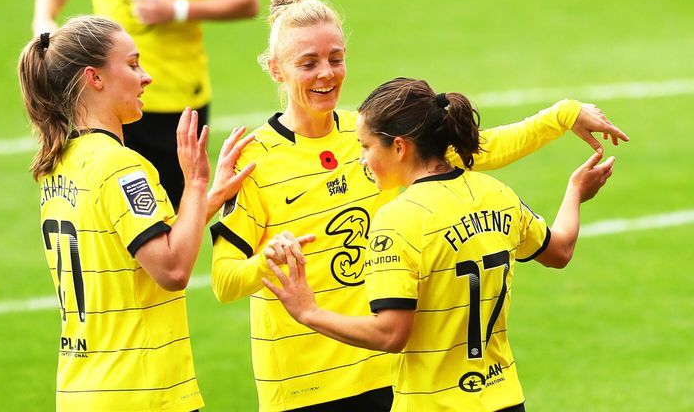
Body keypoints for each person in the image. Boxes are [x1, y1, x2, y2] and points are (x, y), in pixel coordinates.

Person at [209, 0, 629, 411]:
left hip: (385, 369)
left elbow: (473, 148)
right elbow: (224, 282)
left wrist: (560, 116)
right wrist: (270, 260)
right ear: (276, 70)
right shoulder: (253, 160)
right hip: (301, 386)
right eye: (308, 63)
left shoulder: (371, 136)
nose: (327, 74)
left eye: (336, 58)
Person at [263, 77, 617, 411]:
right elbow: (560, 251)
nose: (361, 160)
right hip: (506, 400)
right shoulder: (495, 192)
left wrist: (308, 311)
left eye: (366, 147)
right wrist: (575, 193)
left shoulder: (397, 220)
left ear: (399, 147)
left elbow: (390, 334)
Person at [18, 15, 254, 411]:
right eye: (132, 64)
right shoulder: (121, 166)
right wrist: (194, 182)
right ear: (94, 78)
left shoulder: (60, 165)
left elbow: (132, 247)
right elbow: (172, 269)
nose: (146, 77)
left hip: (82, 391)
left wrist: (207, 200)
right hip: (142, 391)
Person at [32, 0, 259, 209]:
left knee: (169, 215)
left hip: (176, 102)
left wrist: (177, 9)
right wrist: (43, 21)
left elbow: (247, 0)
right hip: (105, 100)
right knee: (104, 209)